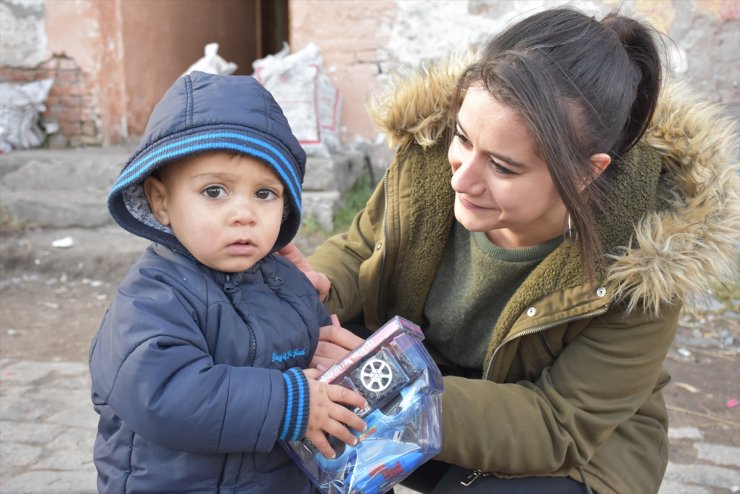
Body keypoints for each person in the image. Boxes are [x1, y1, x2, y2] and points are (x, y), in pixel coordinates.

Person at [280, 7, 739, 494]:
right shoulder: (430, 160)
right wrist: (308, 292)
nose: (461, 177)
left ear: (587, 172)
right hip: (429, 394)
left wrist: (394, 384)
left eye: (502, 167)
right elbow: (360, 252)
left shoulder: (648, 261)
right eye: (463, 137)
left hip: (563, 451)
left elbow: (557, 426)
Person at [88, 71, 368, 493]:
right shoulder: (152, 295)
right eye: (215, 191)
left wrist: (336, 370)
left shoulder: (290, 284)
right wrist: (289, 403)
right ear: (160, 200)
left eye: (265, 194)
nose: (245, 214)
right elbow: (164, 395)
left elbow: (317, 377)